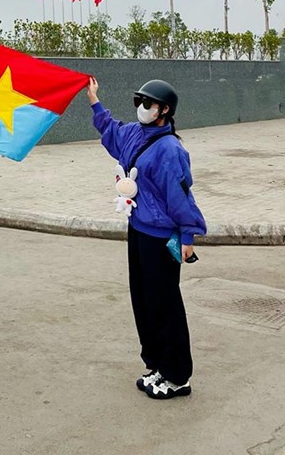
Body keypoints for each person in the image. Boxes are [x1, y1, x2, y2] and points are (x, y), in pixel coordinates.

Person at [85, 77, 207, 400]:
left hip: (160, 237)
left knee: (164, 304)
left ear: (164, 110)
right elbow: (111, 131)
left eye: (148, 103)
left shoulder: (170, 150)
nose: (142, 108)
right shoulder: (135, 134)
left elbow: (180, 196)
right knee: (143, 300)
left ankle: (177, 375)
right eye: (139, 101)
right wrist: (94, 100)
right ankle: (156, 364)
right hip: (137, 229)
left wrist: (187, 234)